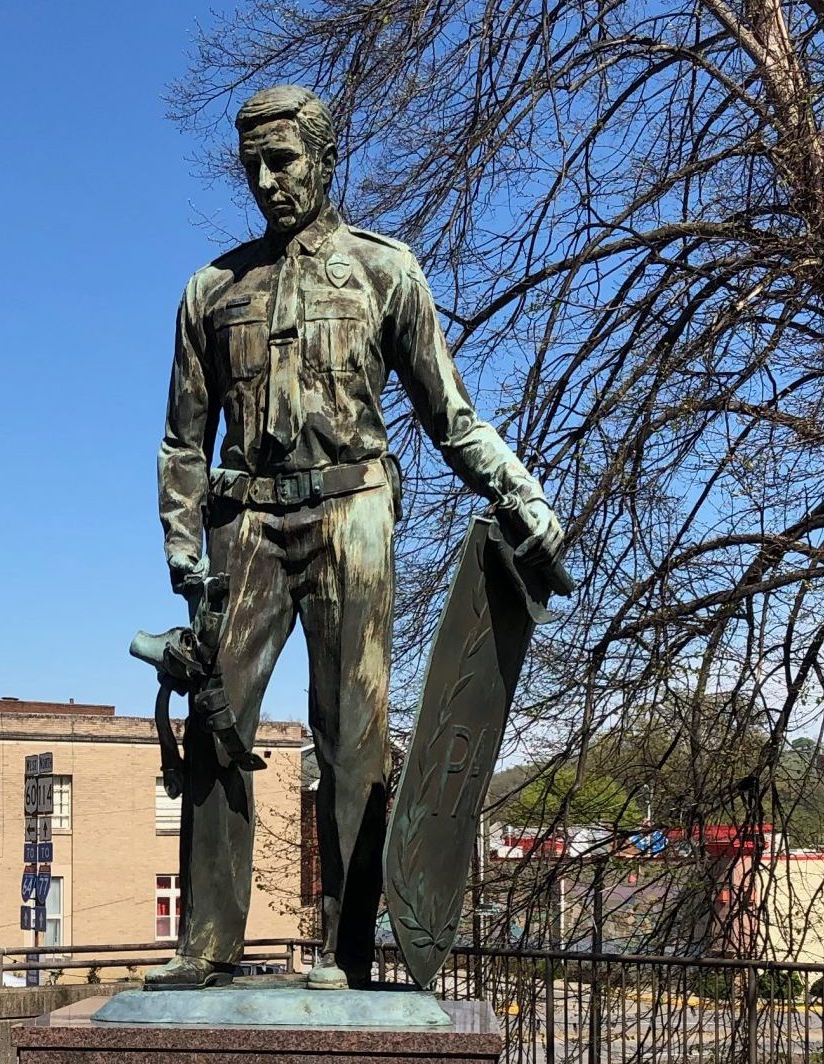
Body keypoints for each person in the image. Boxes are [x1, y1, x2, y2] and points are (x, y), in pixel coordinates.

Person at [147, 83, 572, 991]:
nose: (265, 180)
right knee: (217, 722)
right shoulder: (211, 291)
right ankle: (207, 941)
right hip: (246, 521)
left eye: (283, 160)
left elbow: (452, 418)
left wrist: (520, 492)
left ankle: (345, 948)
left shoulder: (387, 272)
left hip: (353, 510)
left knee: (355, 734)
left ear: (324, 158)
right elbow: (182, 443)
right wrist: (184, 545)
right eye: (252, 164)